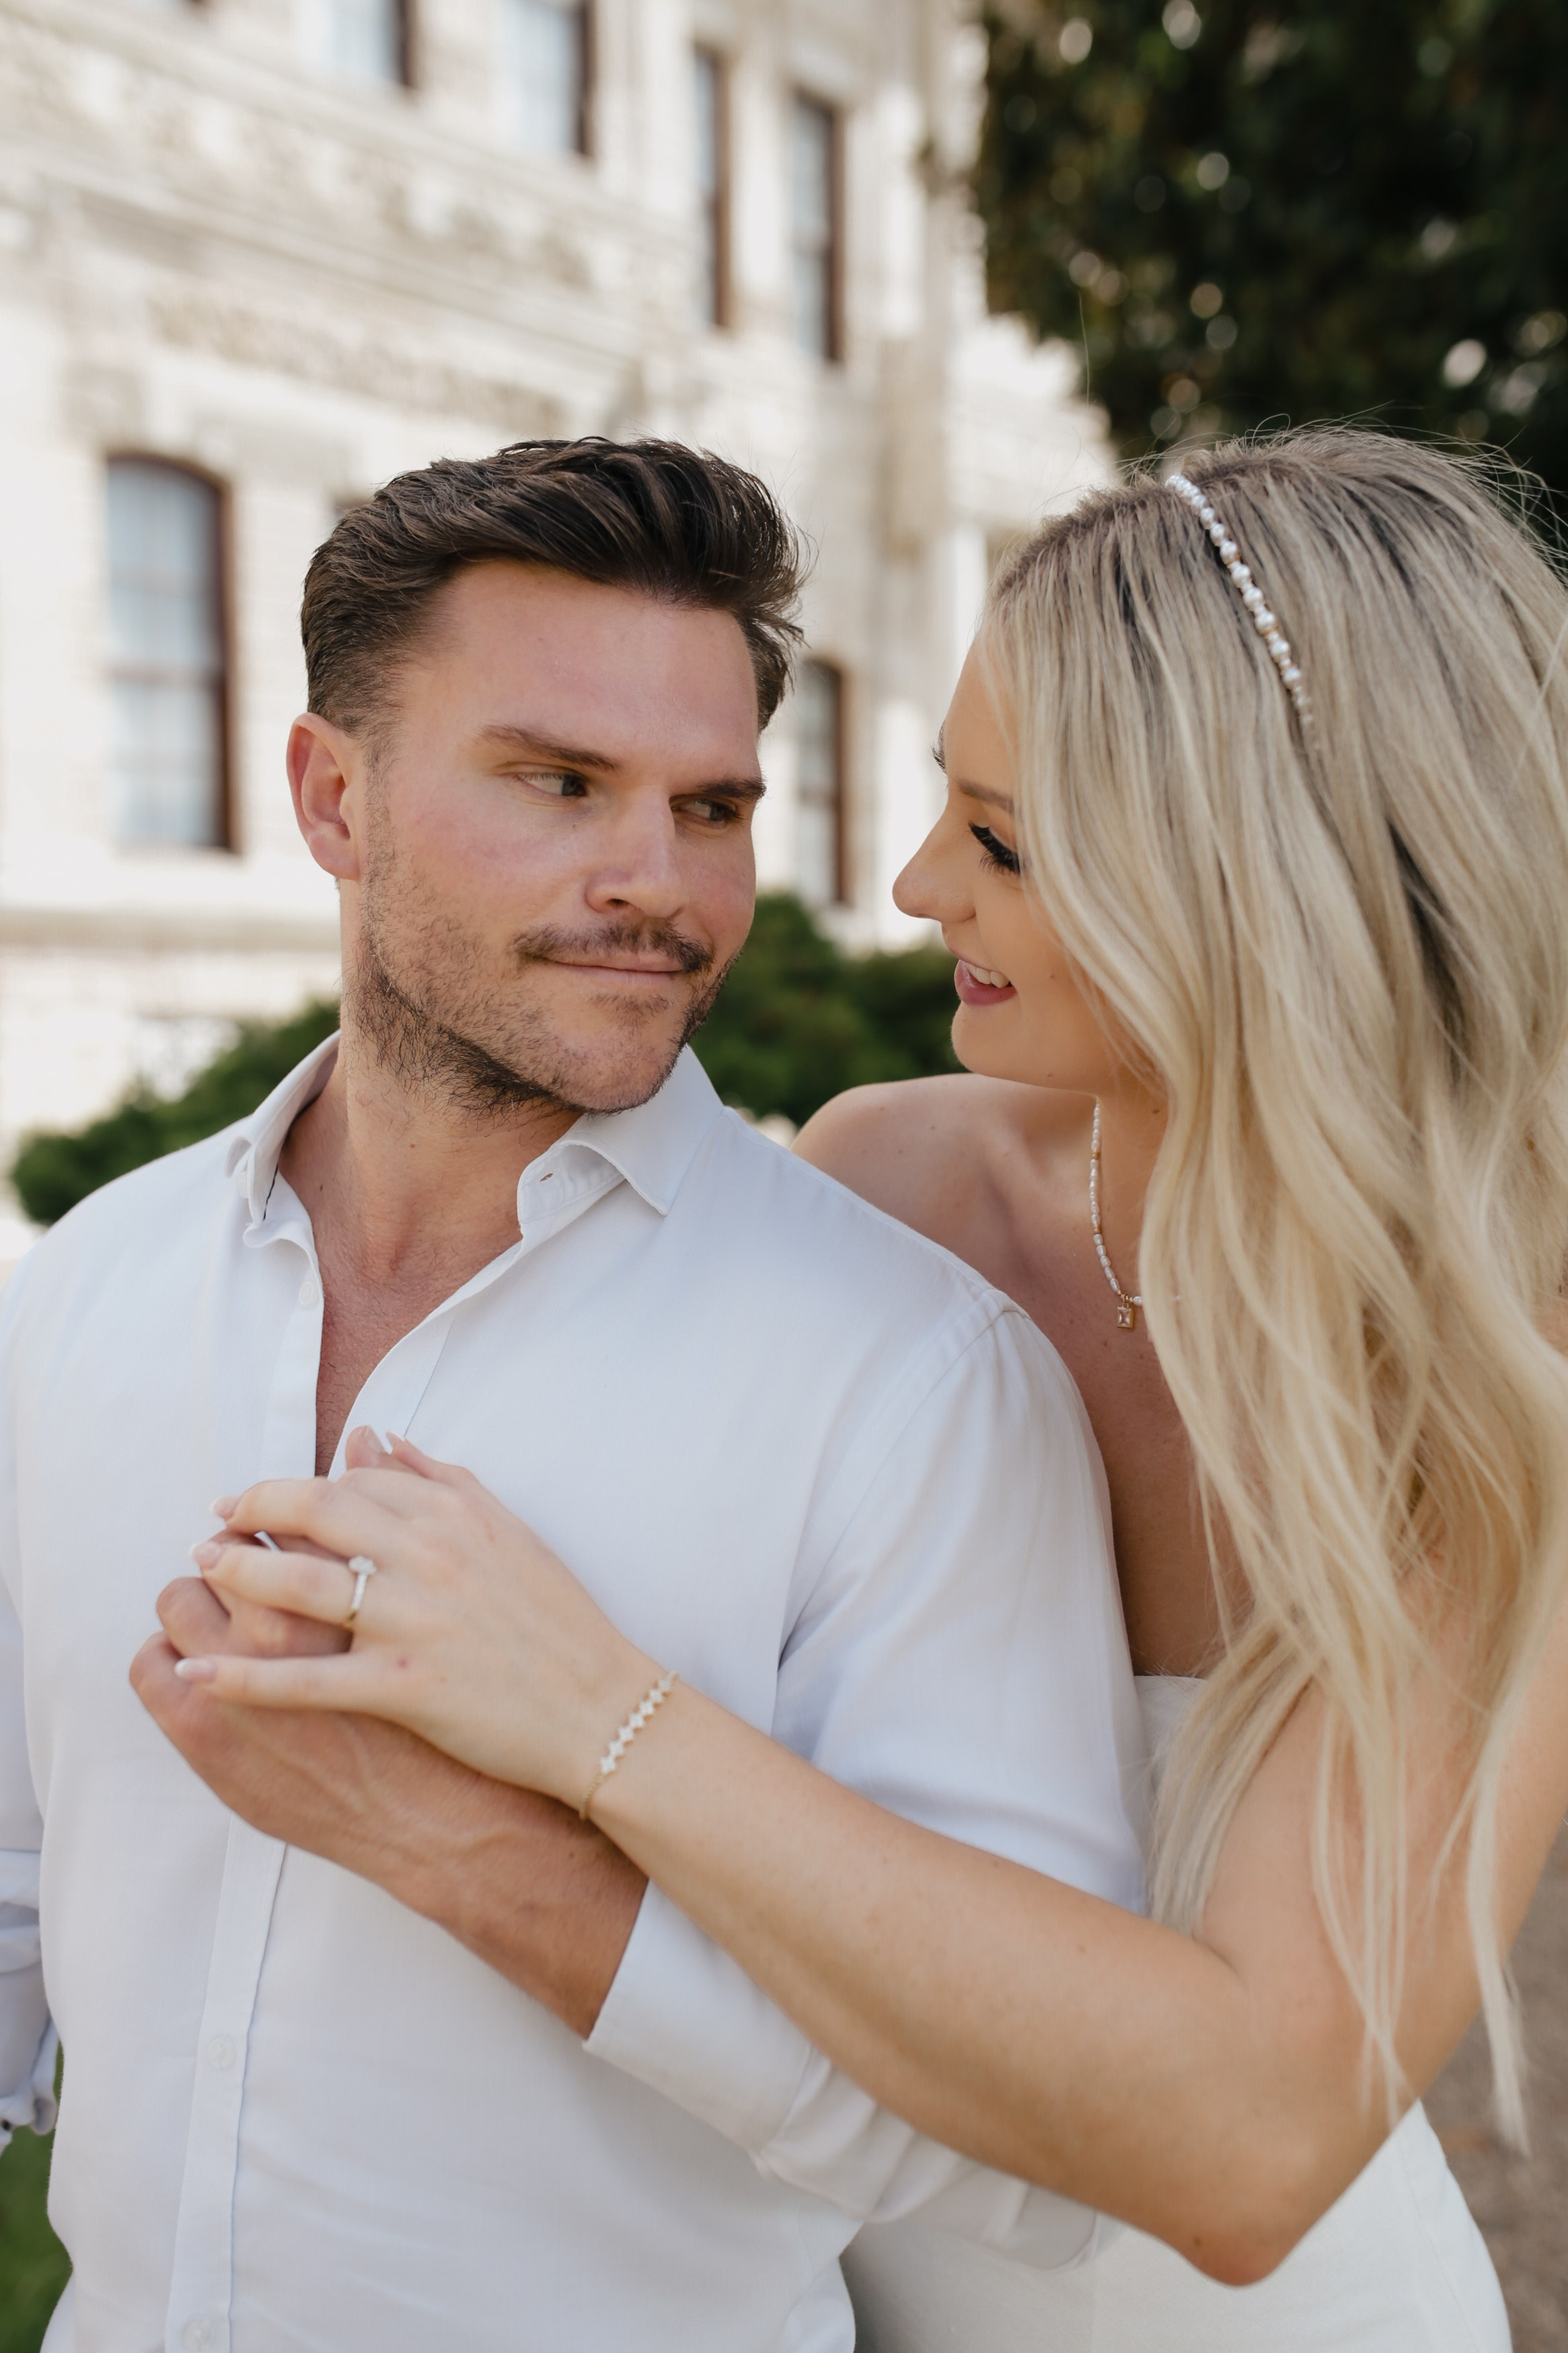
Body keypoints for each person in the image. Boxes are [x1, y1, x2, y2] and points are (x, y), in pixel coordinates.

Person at [181, 430, 1568, 2348]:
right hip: (828, 2286)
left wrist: (598, 1714)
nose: (914, 885)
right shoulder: (895, 1186)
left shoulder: (1498, 1374)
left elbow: (1250, 2143)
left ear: (1252, 882)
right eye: (939, 805)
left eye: (999, 842)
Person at [0, 438, 1153, 2353]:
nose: (659, 882)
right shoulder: (83, 1291)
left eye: (711, 805)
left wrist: (499, 1866)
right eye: (559, 783)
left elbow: (1029, 2140)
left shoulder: (911, 1379)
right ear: (331, 793)